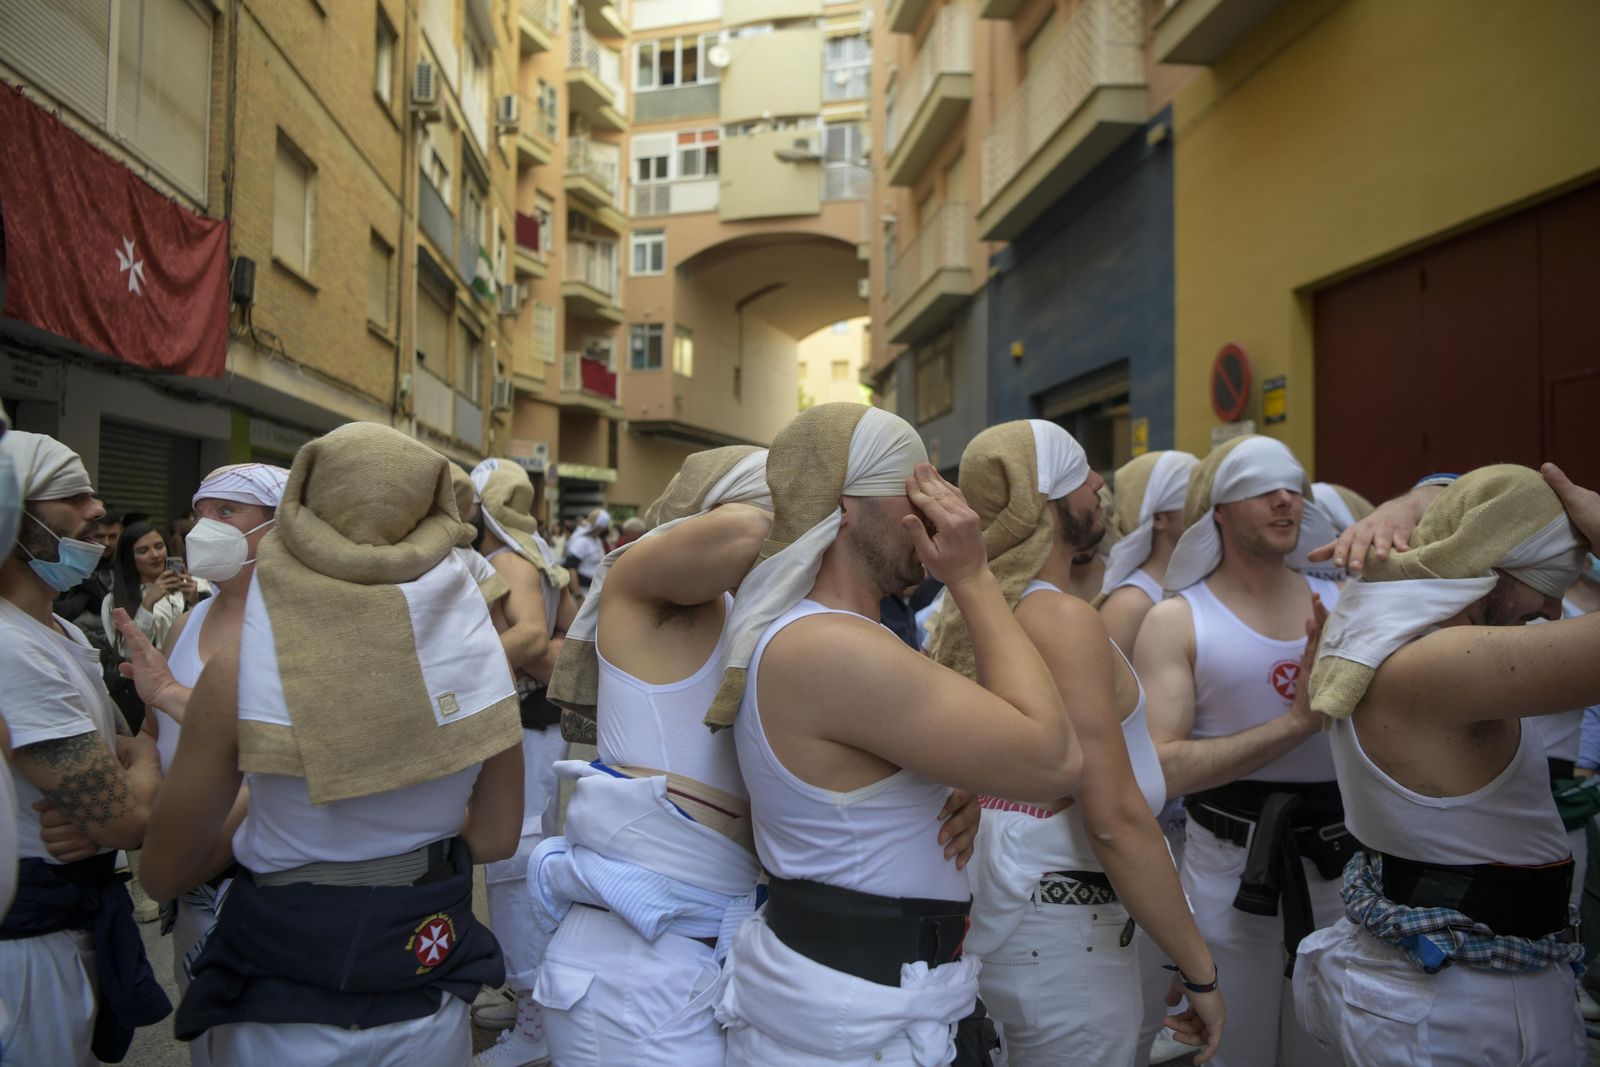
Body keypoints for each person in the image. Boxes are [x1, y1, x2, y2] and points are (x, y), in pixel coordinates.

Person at [705, 402, 1082, 1066]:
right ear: (844, 506)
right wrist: (972, 574)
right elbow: (1054, 758)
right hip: (856, 1018)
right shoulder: (828, 644)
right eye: (913, 487)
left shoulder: (838, 638)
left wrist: (954, 781)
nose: (938, 508)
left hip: (867, 1003)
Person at [139, 422, 525, 1065]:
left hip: (280, 1012)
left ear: (298, 519)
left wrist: (277, 803)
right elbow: (493, 838)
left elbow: (162, 872)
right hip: (427, 993)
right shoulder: (479, 662)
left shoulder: (237, 668)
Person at [929, 420, 1224, 1066]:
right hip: (1067, 952)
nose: (1100, 484)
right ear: (1050, 504)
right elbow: (1115, 818)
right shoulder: (1058, 620)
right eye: (1083, 473)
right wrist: (1200, 969)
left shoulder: (977, 612)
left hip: (1022, 935)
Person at [1293, 463, 1600, 1065]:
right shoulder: (1439, 663)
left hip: (1470, 980)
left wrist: (1421, 495)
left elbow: (1478, 498)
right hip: (1464, 1002)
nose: (1553, 608)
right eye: (1546, 579)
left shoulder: (1389, 631)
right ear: (1493, 563)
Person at [533, 446, 775, 1065]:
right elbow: (750, 528)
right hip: (632, 973)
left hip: (708, 955)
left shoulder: (767, 619)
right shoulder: (643, 585)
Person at [1135, 435, 1345, 1067]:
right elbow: (1161, 766)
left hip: (1338, 875)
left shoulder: (1340, 606)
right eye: (1261, 487)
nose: (1285, 496)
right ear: (1219, 510)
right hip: (1227, 878)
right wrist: (1295, 725)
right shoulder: (1178, 621)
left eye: (1293, 484)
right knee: (1233, 1052)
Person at [0, 430, 170, 1065]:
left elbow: (120, 757)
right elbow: (129, 816)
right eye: (72, 495)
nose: (98, 510)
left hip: (68, 928)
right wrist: (141, 772)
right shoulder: (11, 649)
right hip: (25, 959)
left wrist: (124, 782)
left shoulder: (60, 630)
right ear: (12, 520)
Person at [469, 459, 577, 1067]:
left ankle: (536, 1020)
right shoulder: (536, 553)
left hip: (521, 730)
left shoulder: (507, 559)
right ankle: (532, 998)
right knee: (525, 860)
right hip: (534, 729)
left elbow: (540, 641)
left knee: (515, 867)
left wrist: (455, 671)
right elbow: (571, 635)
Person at [1098, 450, 1197, 656]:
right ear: (1159, 519)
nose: (1204, 512)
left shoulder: (1206, 582)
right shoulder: (1129, 606)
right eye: (1193, 504)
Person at [101, 519, 205, 666]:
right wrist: (148, 603)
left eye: (159, 546)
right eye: (143, 551)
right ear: (129, 557)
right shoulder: (113, 600)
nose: (155, 555)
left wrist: (195, 603)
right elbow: (127, 652)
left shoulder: (188, 587)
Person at [565, 509, 610, 593]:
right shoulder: (581, 542)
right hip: (583, 590)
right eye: (602, 528)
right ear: (597, 526)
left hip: (595, 588)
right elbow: (572, 569)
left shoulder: (597, 540)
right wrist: (578, 594)